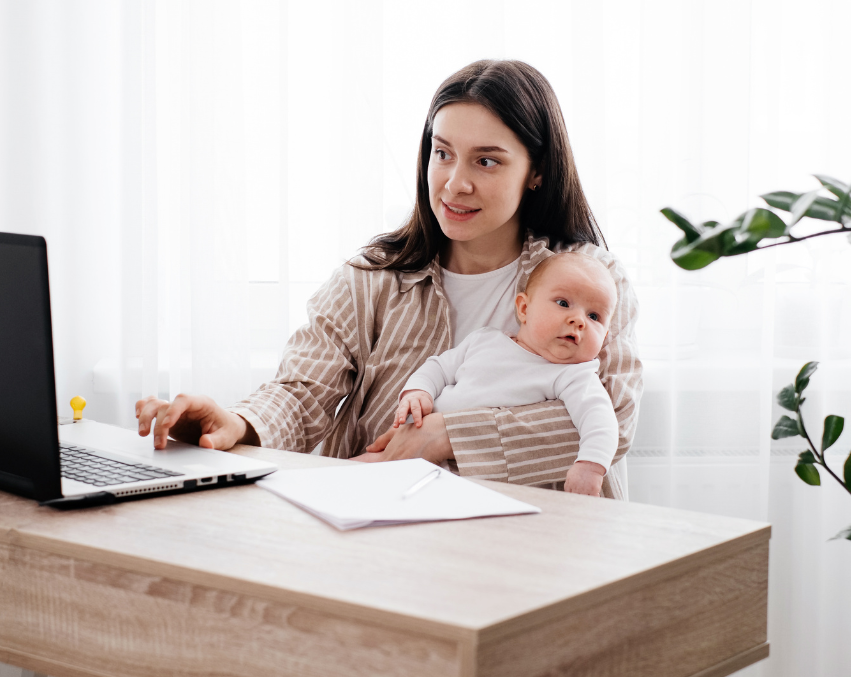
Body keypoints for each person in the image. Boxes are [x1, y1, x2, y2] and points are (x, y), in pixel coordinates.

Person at [135, 59, 643, 499]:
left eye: (486, 161)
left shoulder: (593, 282)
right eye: (442, 153)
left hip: (542, 540)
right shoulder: (372, 278)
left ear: (537, 171)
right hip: (387, 532)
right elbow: (301, 392)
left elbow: (613, 419)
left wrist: (446, 436)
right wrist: (236, 423)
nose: (455, 182)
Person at [392, 252, 618, 496]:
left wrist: (591, 466)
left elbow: (600, 419)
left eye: (594, 316)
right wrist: (419, 391)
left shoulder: (573, 375)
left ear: (604, 337)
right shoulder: (484, 339)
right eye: (563, 303)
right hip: (412, 448)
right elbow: (438, 367)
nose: (578, 320)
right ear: (524, 308)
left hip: (472, 476)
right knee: (366, 468)